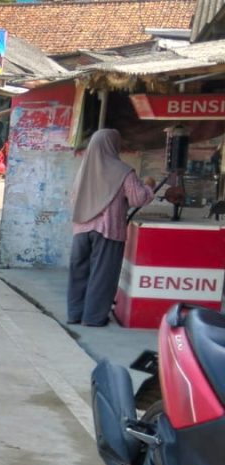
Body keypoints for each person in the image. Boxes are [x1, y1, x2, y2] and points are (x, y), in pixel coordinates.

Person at [68, 128, 156, 327]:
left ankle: (75, 314)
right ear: (112, 145)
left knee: (78, 272)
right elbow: (138, 198)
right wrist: (149, 185)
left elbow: (73, 199)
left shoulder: (84, 170)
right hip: (108, 230)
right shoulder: (123, 171)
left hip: (81, 228)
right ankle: (93, 318)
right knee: (103, 274)